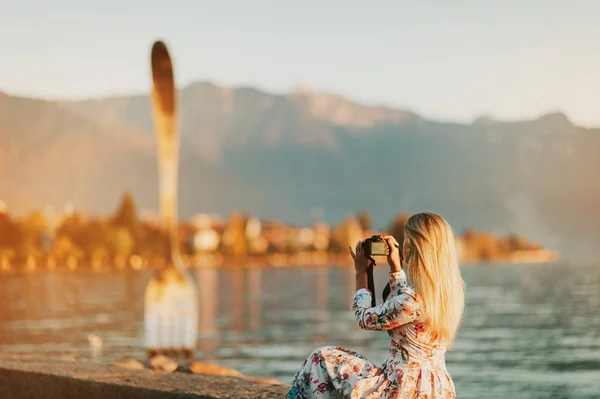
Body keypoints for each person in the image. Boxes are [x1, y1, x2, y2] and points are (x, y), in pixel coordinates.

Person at [286, 212, 465, 398]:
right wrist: (396, 268)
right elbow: (404, 309)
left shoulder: (412, 301)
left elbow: (364, 318)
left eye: (407, 239)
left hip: (401, 390)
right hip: (435, 388)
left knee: (322, 358)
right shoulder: (447, 295)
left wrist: (361, 274)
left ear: (416, 247)